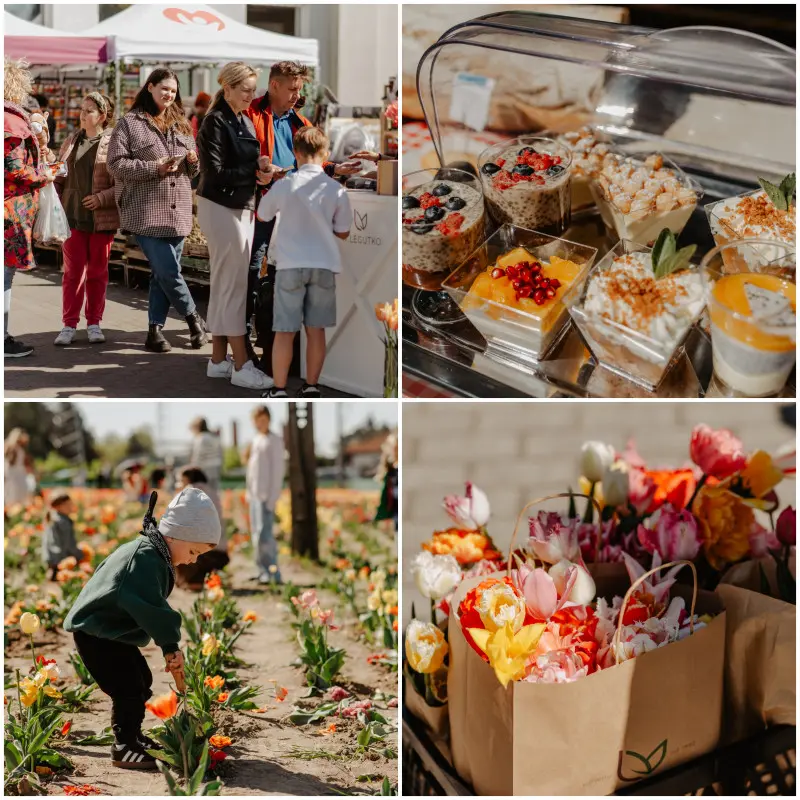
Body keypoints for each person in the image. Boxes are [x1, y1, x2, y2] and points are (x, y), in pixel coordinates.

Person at [64, 488, 220, 769]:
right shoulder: (144, 558)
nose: (193, 560)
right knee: (128, 687)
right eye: (193, 551)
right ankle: (124, 747)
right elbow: (151, 608)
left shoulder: (153, 553)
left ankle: (134, 736)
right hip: (96, 633)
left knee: (141, 679)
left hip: (109, 631)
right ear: (175, 535)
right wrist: (170, 645)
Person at [244, 61, 360, 363]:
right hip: (262, 202)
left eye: (300, 89)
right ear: (274, 86)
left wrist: (335, 168)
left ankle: (272, 343)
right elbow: (245, 158)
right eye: (293, 89)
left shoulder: (300, 121)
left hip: (289, 207)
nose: (297, 95)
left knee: (276, 276)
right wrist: (262, 171)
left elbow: (310, 161)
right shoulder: (251, 115)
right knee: (253, 269)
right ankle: (244, 338)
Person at [107, 67, 209, 354]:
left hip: (178, 211)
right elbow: (115, 165)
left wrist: (192, 160)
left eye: (173, 91)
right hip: (145, 212)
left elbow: (193, 171)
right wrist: (155, 167)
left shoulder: (181, 123)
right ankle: (194, 320)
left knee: (161, 274)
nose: (169, 94)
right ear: (150, 86)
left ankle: (154, 332)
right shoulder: (129, 123)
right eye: (164, 88)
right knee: (169, 271)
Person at [257, 126, 352, 398]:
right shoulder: (336, 189)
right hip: (322, 265)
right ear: (326, 153)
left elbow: (262, 215)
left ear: (295, 152)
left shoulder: (284, 185)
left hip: (289, 264)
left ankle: (278, 388)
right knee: (315, 330)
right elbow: (344, 232)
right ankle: (311, 386)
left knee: (284, 331)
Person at [196, 62, 273, 390]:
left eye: (253, 90)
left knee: (225, 285)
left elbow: (235, 165)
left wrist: (261, 168)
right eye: (245, 89)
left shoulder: (242, 119)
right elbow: (213, 172)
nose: (250, 95)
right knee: (233, 287)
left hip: (239, 206)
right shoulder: (215, 121)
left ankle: (218, 360)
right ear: (227, 88)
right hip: (223, 206)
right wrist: (254, 174)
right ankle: (241, 364)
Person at [53, 92, 118, 346]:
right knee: (72, 274)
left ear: (102, 116)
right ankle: (69, 324)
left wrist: (101, 199)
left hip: (101, 220)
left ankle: (94, 323)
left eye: (89, 110)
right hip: (71, 217)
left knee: (97, 273)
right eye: (82, 109)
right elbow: (59, 176)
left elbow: (122, 184)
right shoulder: (71, 141)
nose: (82, 114)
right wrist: (55, 203)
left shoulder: (113, 144)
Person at [4, 58, 55, 358]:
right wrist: (43, 175)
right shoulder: (10, 121)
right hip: (9, 211)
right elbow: (14, 168)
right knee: (4, 277)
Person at [245, 406, 285, 584]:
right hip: (255, 495)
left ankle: (272, 572)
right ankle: (261, 570)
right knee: (257, 535)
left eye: (263, 420)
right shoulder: (256, 439)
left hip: (265, 496)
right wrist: (249, 492)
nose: (259, 424)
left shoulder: (274, 440)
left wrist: (272, 498)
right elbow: (252, 471)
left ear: (269, 420)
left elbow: (277, 471)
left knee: (265, 536)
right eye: (256, 421)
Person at [174, 466, 230, 589]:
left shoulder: (189, 491)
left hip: (202, 554)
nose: (178, 484)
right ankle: (204, 579)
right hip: (221, 552)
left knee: (171, 542)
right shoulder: (212, 491)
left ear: (188, 479)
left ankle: (192, 581)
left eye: (180, 480)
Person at [41, 493, 82, 580]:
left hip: (52, 560)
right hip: (62, 560)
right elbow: (69, 544)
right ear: (58, 507)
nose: (70, 507)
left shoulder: (53, 518)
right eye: (67, 505)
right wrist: (80, 554)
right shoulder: (62, 522)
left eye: (71, 504)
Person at [188, 417, 224, 491]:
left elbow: (197, 457)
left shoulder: (200, 438)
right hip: (215, 468)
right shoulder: (214, 437)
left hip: (204, 470)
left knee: (202, 492)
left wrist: (192, 469)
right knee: (214, 491)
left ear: (197, 427)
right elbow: (220, 454)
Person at [4, 427, 34, 506]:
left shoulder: (20, 448)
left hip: (20, 474)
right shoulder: (11, 447)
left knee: (22, 493)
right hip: (13, 474)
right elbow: (9, 463)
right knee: (14, 493)